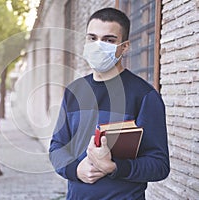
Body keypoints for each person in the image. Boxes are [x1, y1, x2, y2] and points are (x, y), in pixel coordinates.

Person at [49, 7, 170, 199]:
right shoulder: (74, 91)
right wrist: (76, 170)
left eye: (109, 40)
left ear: (124, 47)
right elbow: (57, 148)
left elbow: (159, 166)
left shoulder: (144, 96)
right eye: (92, 38)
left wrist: (115, 167)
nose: (98, 45)